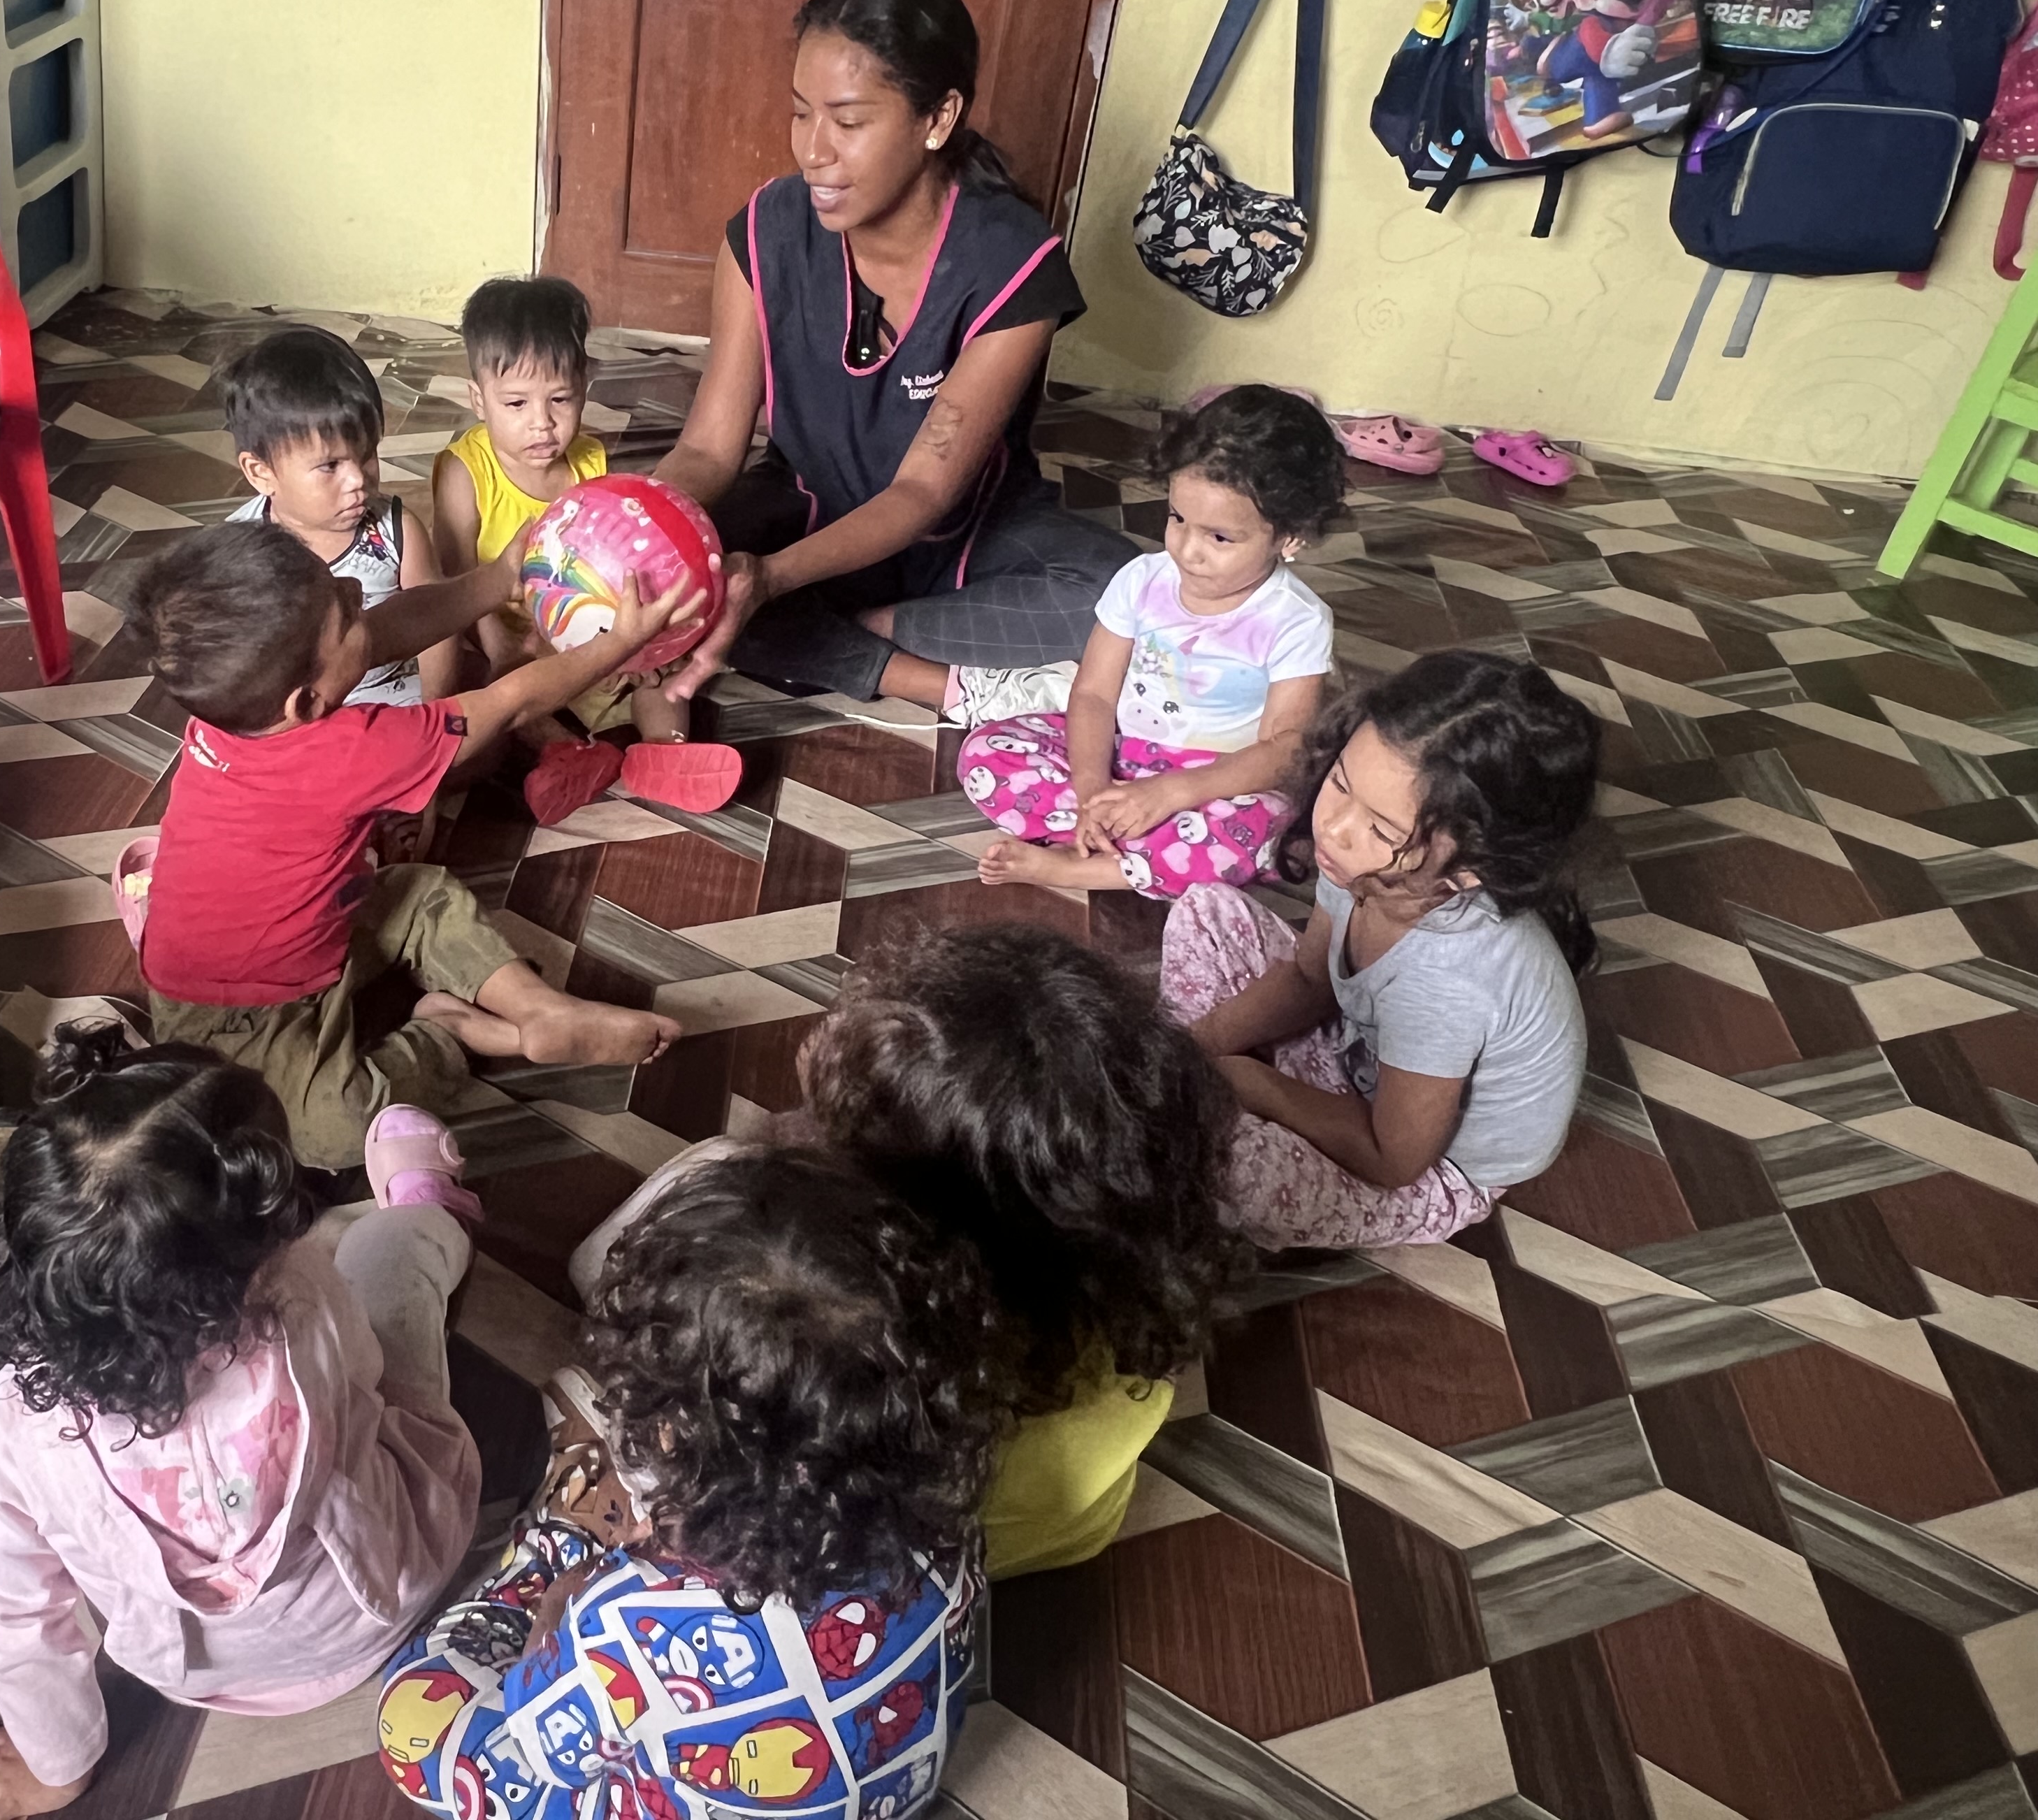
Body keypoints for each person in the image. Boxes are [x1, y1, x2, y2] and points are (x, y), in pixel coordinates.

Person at [0, 1031, 490, 1817]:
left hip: (197, 1672)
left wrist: (59, 1765)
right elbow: (366, 1377)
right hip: (385, 1589)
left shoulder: (13, 1424)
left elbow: (12, 1610)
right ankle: (429, 1212)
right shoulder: (302, 1295)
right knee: (390, 1265)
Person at [567, 923, 1237, 1577]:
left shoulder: (877, 1388)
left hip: (913, 1549)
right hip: (1068, 1535)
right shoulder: (1139, 1278)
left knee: (706, 1181)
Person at [383, 1148, 1000, 1820]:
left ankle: (557, 1539)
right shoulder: (946, 1521)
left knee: (414, 1725)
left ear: (667, 1435)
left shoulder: (629, 1623)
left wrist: (563, 1599)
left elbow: (540, 1741)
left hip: (646, 1743)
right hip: (890, 1792)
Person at [646, 0, 1136, 725]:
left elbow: (922, 493)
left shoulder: (1011, 263)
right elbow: (709, 450)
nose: (813, 151)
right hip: (806, 516)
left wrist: (770, 583)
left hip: (963, 537)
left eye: (847, 123)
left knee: (1134, 600)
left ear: (938, 118)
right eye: (801, 113)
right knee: (678, 580)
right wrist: (632, 532)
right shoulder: (767, 232)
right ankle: (940, 676)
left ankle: (839, 638)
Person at [127, 521, 688, 1169]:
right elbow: (507, 704)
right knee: (329, 1136)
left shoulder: (231, 705)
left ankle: (543, 1012)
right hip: (230, 1013)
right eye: (344, 610)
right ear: (307, 701)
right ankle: (450, 1033)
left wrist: (498, 579)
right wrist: (619, 642)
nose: (355, 590)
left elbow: (390, 627)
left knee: (419, 895)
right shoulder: (355, 749)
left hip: (325, 931)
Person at [1170, 650, 1600, 1249]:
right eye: (1340, 783)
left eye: (1381, 829)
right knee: (1206, 910)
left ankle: (1230, 1104)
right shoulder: (1359, 865)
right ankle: (1216, 1090)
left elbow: (1394, 1159)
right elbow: (1309, 980)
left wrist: (1254, 1085)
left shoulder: (1448, 979)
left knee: (1240, 1170)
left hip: (1427, 1168)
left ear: (1471, 868)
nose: (1333, 828)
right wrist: (1191, 1046)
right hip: (1359, 1056)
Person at [963, 386, 1344, 895]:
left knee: (1272, 822)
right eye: (1177, 519)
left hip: (1217, 782)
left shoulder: (1296, 620)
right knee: (985, 750)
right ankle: (1125, 839)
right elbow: (1094, 695)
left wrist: (1173, 792)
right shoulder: (1141, 580)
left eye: (1220, 538)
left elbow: (1284, 747)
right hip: (1122, 755)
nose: (1187, 550)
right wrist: (1093, 789)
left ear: (1290, 537)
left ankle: (1086, 866)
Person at [432, 275, 742, 823]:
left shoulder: (589, 461)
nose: (542, 423)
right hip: (503, 634)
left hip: (581, 626)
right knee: (503, 693)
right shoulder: (465, 472)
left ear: (584, 386)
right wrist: (503, 650)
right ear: (479, 400)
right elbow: (456, 582)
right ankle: (563, 753)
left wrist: (631, 644)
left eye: (560, 399)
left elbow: (613, 560)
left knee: (664, 669)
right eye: (516, 403)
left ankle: (663, 752)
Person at [225, 324, 453, 707]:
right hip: (292, 713)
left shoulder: (396, 531)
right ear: (261, 473)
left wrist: (436, 714)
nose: (358, 480)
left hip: (392, 699)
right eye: (330, 466)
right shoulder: (236, 552)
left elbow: (438, 621)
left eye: (367, 454)